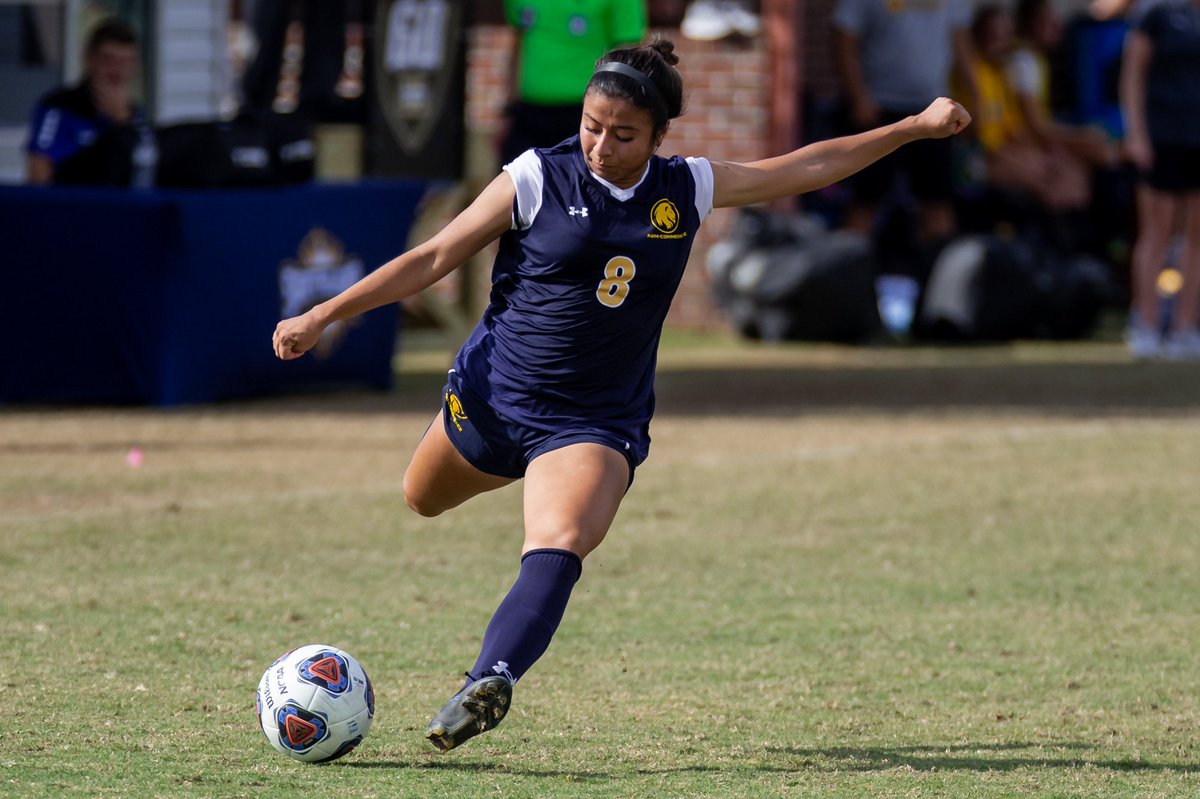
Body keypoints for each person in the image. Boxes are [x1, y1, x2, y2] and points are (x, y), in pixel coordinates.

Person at [273, 37, 970, 752]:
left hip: (592, 420)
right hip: (492, 399)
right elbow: (432, 257)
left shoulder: (685, 187)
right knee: (420, 496)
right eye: (591, 125)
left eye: (624, 134)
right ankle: (492, 622)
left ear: (660, 135)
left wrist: (911, 128)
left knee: (559, 539)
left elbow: (804, 167)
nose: (602, 145)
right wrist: (325, 312)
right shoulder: (536, 177)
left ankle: (492, 678)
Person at [831, 0, 977, 271]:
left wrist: (974, 97)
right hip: (880, 111)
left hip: (935, 111)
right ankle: (844, 281)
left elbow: (960, 42)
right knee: (865, 205)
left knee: (938, 207)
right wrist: (859, 97)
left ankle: (938, 299)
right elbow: (843, 37)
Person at [1119, 0, 1200, 359]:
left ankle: (1185, 327)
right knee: (1157, 230)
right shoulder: (1159, 15)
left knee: (1197, 237)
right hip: (1162, 136)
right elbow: (1133, 74)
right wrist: (1135, 133)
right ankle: (1146, 324)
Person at [498, 0, 647, 165]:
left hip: (585, 114)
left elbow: (628, 55)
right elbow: (517, 42)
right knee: (513, 182)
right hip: (527, 112)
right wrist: (507, 109)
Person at [25, 18, 142, 186]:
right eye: (109, 60)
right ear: (90, 58)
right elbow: (38, 173)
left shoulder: (136, 117)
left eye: (125, 62)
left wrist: (122, 121)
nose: (117, 70)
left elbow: (145, 169)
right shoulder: (59, 107)